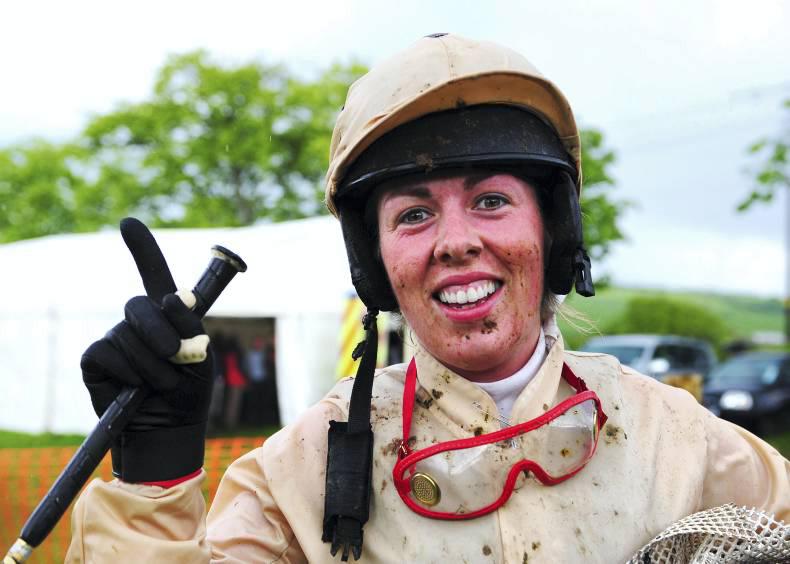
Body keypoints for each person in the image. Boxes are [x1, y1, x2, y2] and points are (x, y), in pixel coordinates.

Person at [66, 34, 790, 563]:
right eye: (413, 213)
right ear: (375, 264)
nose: (455, 241)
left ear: (555, 235)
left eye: (492, 201)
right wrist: (153, 483)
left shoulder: (680, 441)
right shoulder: (297, 475)